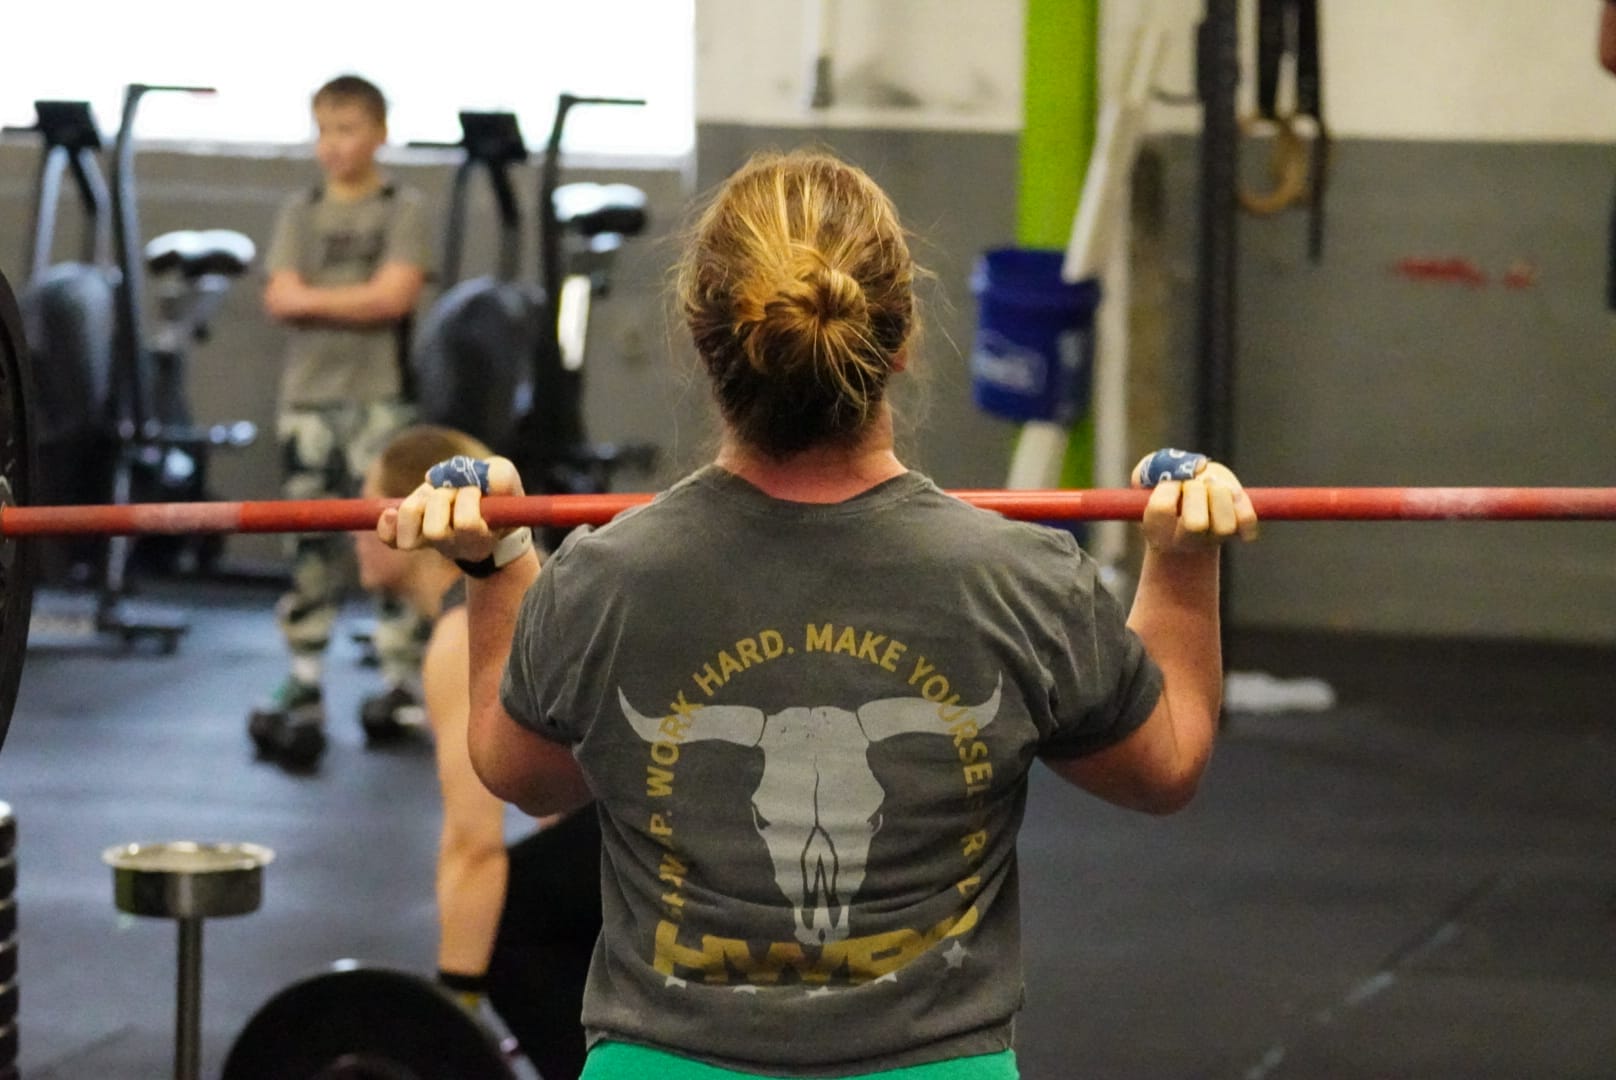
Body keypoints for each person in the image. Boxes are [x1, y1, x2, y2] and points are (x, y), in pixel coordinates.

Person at [381, 149, 1258, 1078]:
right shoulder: (1021, 577)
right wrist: (1184, 556)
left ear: (697, 336)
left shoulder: (605, 578)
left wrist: (495, 563)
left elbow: (525, 776)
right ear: (905, 336)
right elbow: (1165, 765)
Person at [355, 424, 604, 1079]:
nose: (356, 528)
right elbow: (558, 802)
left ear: (410, 516)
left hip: (650, 837)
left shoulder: (460, 636)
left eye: (365, 504)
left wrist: (453, 1002)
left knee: (511, 925)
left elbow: (474, 843)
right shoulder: (506, 602)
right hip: (650, 830)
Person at [249, 73, 432, 768]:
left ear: (379, 133)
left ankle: (397, 678)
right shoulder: (299, 209)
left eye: (348, 129)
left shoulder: (402, 207)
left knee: (392, 538)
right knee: (308, 541)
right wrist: (354, 297)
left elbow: (395, 296)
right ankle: (303, 678)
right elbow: (279, 298)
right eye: (324, 130)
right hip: (307, 401)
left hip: (379, 399)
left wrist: (318, 297)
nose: (333, 145)